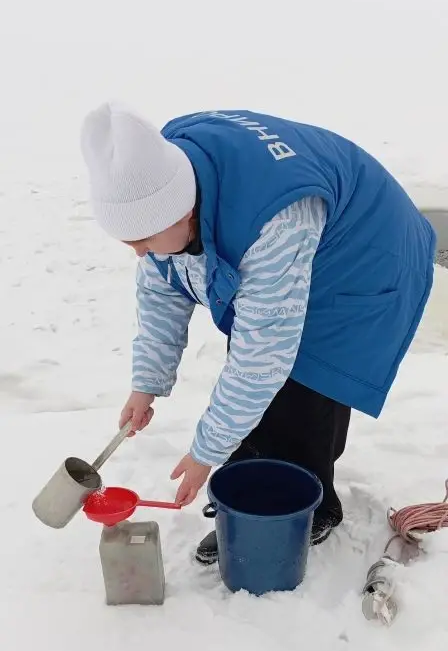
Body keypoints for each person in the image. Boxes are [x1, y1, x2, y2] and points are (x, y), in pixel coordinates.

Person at [81, 103, 436, 564]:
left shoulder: (273, 220)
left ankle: (308, 504)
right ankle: (254, 476)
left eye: (144, 241)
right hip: (303, 234)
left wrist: (205, 452)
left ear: (184, 213)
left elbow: (261, 359)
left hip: (367, 252)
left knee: (307, 376)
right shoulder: (158, 178)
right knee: (265, 359)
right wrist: (146, 383)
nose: (139, 254)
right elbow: (163, 288)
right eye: (130, 244)